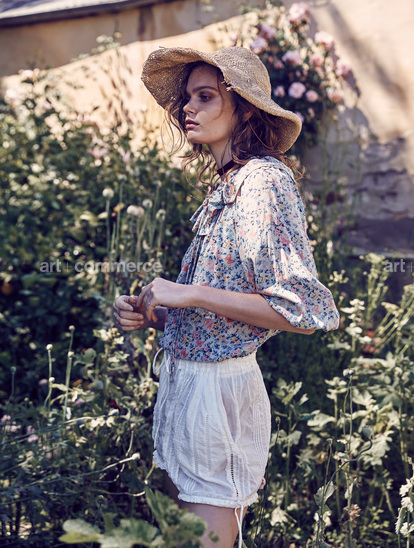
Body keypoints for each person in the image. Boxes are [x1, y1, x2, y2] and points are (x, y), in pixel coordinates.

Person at [113, 46, 340, 548]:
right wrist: (156, 314)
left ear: (244, 109)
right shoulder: (230, 184)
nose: (186, 109)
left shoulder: (263, 181)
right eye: (186, 99)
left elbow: (302, 311)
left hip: (217, 394)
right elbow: (224, 314)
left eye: (205, 97)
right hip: (189, 385)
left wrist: (191, 292)